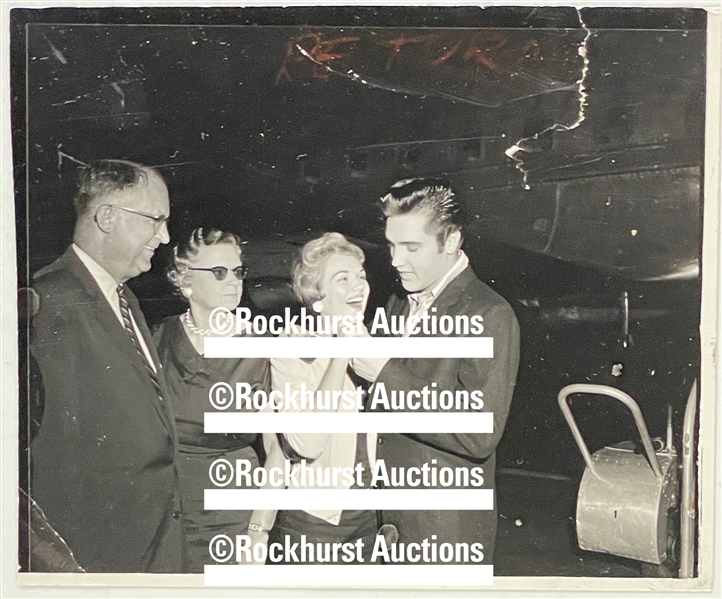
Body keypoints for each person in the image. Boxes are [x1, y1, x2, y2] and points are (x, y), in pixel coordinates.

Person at [29, 159, 185, 572]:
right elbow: (49, 461)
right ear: (107, 217)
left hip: (154, 548)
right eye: (155, 219)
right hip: (103, 561)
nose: (165, 236)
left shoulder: (123, 298)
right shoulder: (52, 304)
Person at [371, 177, 520, 564]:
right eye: (391, 245)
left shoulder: (489, 313)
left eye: (411, 247)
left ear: (451, 242)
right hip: (389, 519)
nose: (395, 260)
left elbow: (478, 432)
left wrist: (383, 373)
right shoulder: (397, 301)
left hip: (443, 533)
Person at [248, 233, 382, 564]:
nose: (358, 286)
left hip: (368, 517)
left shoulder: (372, 342)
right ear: (317, 297)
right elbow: (306, 443)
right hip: (316, 521)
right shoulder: (292, 347)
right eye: (343, 278)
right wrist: (339, 353)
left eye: (361, 277)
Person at [153, 228, 270, 572]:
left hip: (231, 510)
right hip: (164, 503)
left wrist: (258, 530)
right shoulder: (157, 336)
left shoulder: (262, 346)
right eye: (219, 272)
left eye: (238, 271)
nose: (233, 281)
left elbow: (279, 451)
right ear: (184, 279)